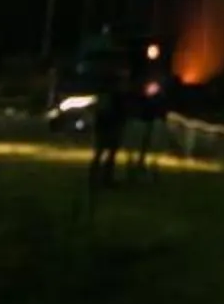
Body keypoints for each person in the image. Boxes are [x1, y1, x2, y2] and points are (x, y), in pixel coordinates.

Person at [73, 28, 128, 186]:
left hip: (109, 115)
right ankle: (101, 177)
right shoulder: (112, 80)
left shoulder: (108, 79)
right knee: (106, 148)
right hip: (110, 115)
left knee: (105, 149)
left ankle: (100, 176)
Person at [128, 38, 171, 174]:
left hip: (153, 108)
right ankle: (136, 160)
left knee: (149, 136)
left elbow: (163, 85)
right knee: (139, 135)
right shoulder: (143, 69)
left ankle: (144, 160)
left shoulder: (159, 70)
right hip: (143, 107)